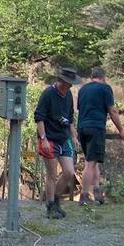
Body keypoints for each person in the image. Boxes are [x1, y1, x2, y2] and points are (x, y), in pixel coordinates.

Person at [77, 67, 124, 206]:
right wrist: (121, 130)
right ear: (103, 77)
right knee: (90, 163)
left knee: (92, 160)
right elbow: (112, 111)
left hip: (82, 128)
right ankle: (83, 196)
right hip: (96, 127)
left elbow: (80, 109)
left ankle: (97, 193)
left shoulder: (83, 89)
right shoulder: (105, 88)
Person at [34, 68, 81, 219]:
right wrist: (43, 139)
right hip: (49, 138)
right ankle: (50, 206)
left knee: (69, 172)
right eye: (69, 83)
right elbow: (39, 117)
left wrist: (73, 135)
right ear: (61, 81)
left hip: (63, 136)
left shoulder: (68, 95)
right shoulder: (48, 94)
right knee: (51, 174)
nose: (71, 85)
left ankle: (55, 200)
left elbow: (70, 117)